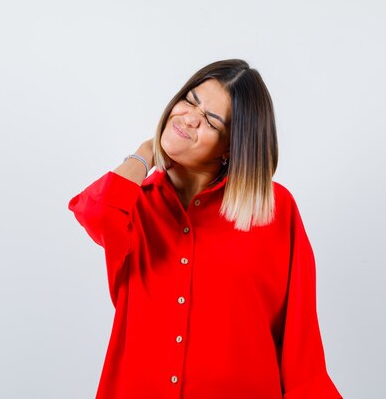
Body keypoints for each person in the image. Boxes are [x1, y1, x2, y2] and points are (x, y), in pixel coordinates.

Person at [67, 59, 342, 399]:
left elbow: (302, 349)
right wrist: (144, 154)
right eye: (190, 100)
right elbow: (95, 214)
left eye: (211, 121)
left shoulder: (273, 209)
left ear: (230, 147)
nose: (189, 118)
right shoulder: (134, 202)